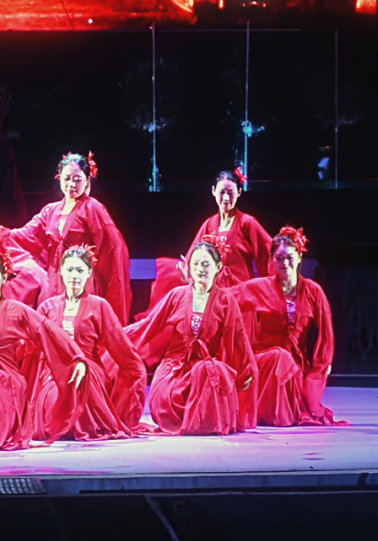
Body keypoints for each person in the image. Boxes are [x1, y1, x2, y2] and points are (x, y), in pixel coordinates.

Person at [0, 248, 86, 451]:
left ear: (4, 278)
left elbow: (48, 330)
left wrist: (76, 357)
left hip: (8, 381)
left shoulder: (16, 310)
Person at [0, 151, 131, 324]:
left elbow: (111, 248)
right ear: (59, 178)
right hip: (54, 282)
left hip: (81, 280)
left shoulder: (93, 209)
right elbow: (27, 235)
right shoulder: (50, 211)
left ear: (87, 180)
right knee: (52, 329)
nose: (71, 184)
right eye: (67, 178)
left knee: (80, 329)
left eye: (77, 179)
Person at [128, 239, 256, 436]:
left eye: (205, 264)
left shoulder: (226, 301)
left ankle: (204, 418)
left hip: (205, 371)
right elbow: (148, 325)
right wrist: (115, 336)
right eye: (195, 264)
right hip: (174, 369)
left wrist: (246, 371)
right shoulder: (177, 295)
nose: (199, 269)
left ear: (218, 267)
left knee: (208, 372)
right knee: (165, 398)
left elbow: (238, 340)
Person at [30, 245, 147, 440]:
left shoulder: (99, 305)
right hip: (55, 370)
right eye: (69, 270)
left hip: (89, 367)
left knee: (80, 386)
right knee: (54, 400)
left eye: (79, 270)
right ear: (61, 271)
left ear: (89, 273)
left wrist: (136, 370)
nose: (74, 276)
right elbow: (34, 346)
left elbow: (117, 342)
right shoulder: (47, 307)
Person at [235, 226, 345, 426]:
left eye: (289, 257)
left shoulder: (313, 291)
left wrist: (320, 368)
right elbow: (226, 299)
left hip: (295, 366)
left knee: (287, 364)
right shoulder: (259, 287)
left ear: (299, 257)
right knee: (279, 356)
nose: (284, 263)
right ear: (272, 259)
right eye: (279, 258)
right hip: (265, 359)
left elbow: (326, 334)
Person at [149, 168, 271, 308]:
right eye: (222, 192)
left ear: (239, 192)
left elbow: (268, 253)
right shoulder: (209, 225)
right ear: (213, 191)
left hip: (240, 298)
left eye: (231, 192)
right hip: (214, 299)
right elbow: (192, 257)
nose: (226, 198)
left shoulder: (247, 223)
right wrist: (185, 272)